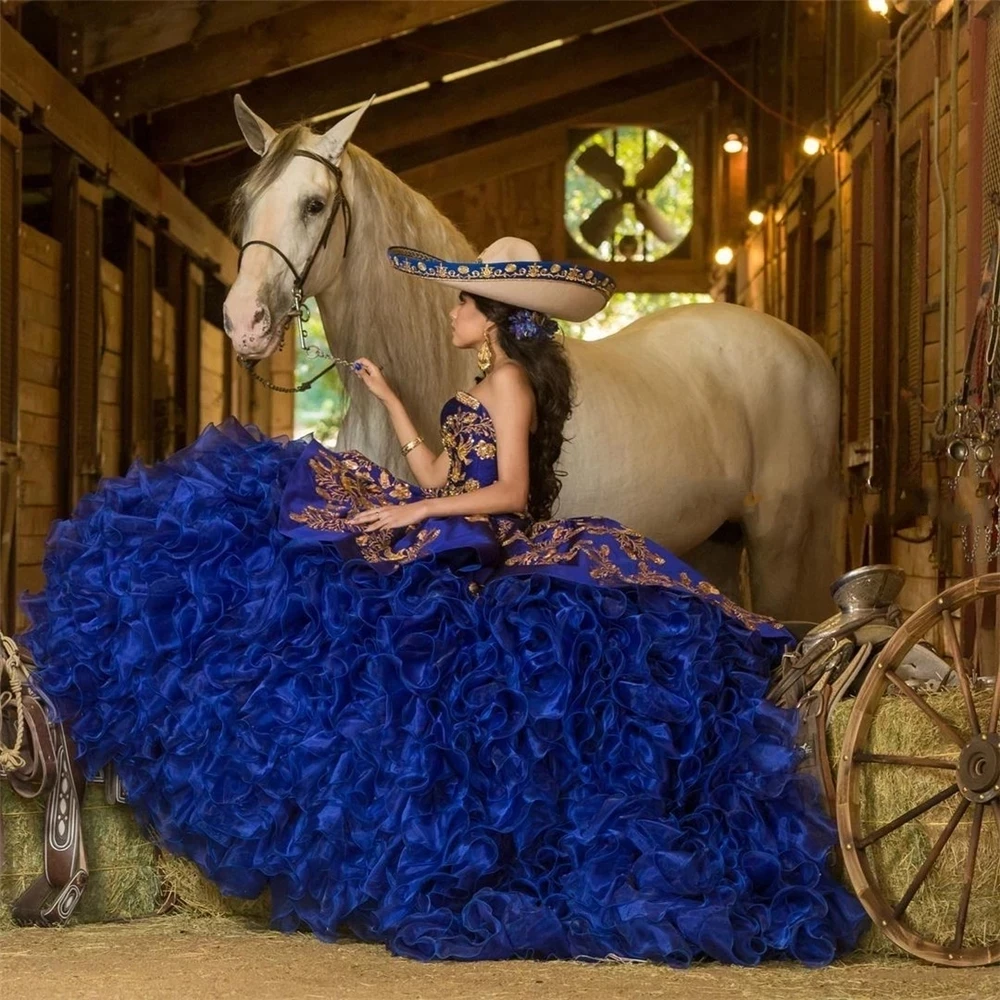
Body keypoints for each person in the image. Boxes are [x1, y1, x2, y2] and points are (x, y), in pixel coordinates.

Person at [19, 237, 865, 966]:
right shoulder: (483, 381)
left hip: (485, 547)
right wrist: (390, 406)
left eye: (462, 301)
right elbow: (442, 477)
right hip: (451, 532)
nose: (451, 312)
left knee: (326, 556)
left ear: (490, 313)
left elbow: (510, 496)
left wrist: (419, 511)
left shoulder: (512, 388)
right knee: (289, 504)